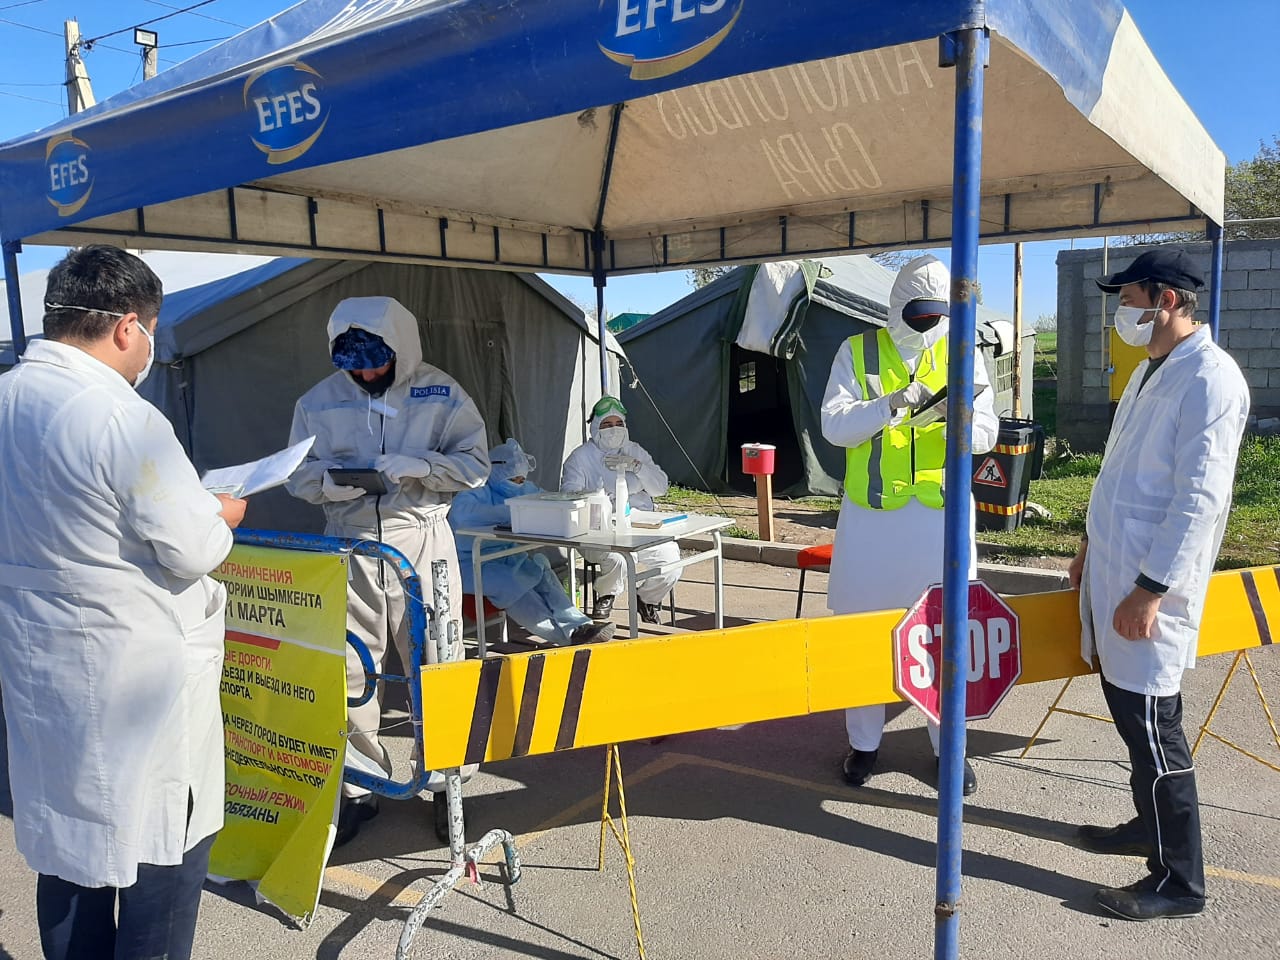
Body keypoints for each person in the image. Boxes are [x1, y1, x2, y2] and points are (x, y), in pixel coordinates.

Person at [0, 246, 247, 960]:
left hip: (41, 666)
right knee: (160, 861)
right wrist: (219, 513)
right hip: (135, 679)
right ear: (127, 327)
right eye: (151, 333)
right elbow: (192, 548)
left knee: (67, 851)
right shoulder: (122, 417)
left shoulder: (7, 397)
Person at [1070, 248, 1249, 922]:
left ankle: (1181, 882)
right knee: (1132, 721)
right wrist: (1088, 547)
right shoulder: (1155, 371)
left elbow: (1198, 501)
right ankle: (1148, 828)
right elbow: (1118, 475)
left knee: (1155, 730)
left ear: (1166, 299)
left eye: (1128, 299)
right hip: (1116, 574)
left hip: (1149, 590)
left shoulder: (1209, 379)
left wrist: (1150, 590)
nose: (1121, 312)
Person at [286, 296, 489, 847]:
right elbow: (296, 472)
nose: (367, 375)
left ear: (402, 349)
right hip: (348, 544)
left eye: (377, 364)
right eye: (355, 367)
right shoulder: (318, 401)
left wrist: (425, 466)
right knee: (349, 668)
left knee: (438, 662)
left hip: (420, 539)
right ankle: (360, 787)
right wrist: (328, 484)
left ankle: (447, 784)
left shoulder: (442, 393)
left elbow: (476, 465)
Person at [820, 254, 998, 795]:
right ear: (897, 307)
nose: (928, 324)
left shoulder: (963, 351)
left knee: (947, 635)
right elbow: (833, 426)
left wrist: (956, 417)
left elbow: (988, 431)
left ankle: (950, 749)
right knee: (864, 631)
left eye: (936, 314)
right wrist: (890, 405)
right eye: (918, 314)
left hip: (940, 519)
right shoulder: (857, 351)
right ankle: (863, 744)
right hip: (872, 520)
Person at [451, 439, 616, 646]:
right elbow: (461, 518)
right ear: (496, 472)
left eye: (522, 479)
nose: (519, 483)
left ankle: (579, 625)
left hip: (508, 556)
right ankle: (566, 637)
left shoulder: (523, 488)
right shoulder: (473, 492)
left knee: (540, 568)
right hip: (472, 563)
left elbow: (546, 501)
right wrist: (513, 511)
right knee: (512, 585)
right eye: (513, 479)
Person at [561, 396, 679, 623]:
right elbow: (569, 495)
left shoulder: (634, 450)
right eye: (606, 424)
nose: (613, 429)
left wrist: (637, 467)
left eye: (618, 423)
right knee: (617, 559)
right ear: (595, 427)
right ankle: (607, 594)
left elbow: (660, 487)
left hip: (641, 525)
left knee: (671, 560)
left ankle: (646, 598)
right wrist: (598, 496)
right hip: (599, 528)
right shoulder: (580, 458)